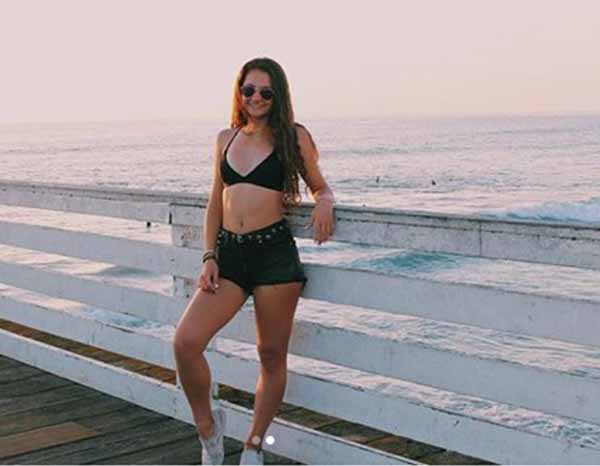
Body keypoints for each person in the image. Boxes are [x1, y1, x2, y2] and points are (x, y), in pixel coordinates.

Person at [173, 57, 336, 465]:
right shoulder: (225, 139)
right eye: (249, 90)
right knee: (186, 342)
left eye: (265, 91)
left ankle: (254, 445)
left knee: (271, 355)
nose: (256, 98)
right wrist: (209, 255)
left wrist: (325, 201)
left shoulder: (293, 137)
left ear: (278, 96)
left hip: (273, 256)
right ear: (239, 93)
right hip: (229, 257)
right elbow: (215, 202)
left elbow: (320, 186)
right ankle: (209, 430)